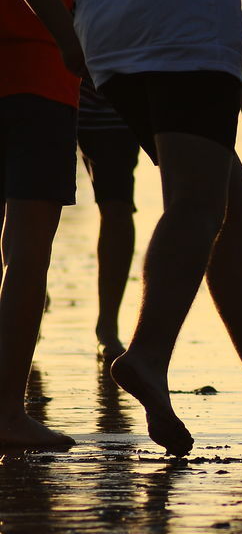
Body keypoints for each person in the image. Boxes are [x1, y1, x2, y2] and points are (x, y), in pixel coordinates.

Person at [7, 0, 242, 456]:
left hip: (110, 35)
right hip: (184, 27)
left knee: (229, 210)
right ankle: (149, 356)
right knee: (198, 203)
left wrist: (68, 33)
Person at [0, 0, 78, 448]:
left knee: (20, 254)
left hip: (35, 76)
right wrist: (70, 37)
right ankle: (8, 412)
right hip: (39, 76)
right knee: (27, 255)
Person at [76, 78, 140, 361]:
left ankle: (108, 326)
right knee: (30, 204)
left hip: (115, 98)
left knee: (117, 207)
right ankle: (31, 290)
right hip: (45, 90)